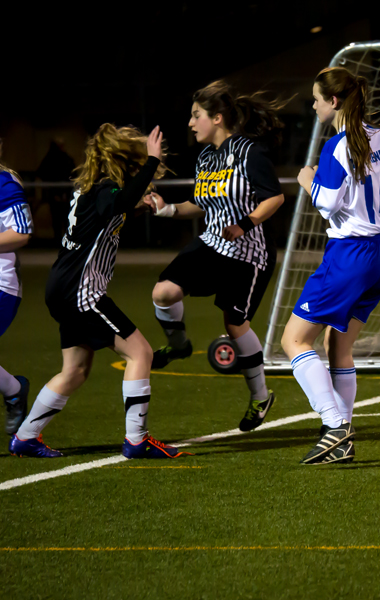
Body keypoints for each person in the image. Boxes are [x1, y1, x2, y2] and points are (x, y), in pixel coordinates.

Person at [9, 124, 188, 459]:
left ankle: (26, 437)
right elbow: (115, 206)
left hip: (61, 286)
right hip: (81, 291)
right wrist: (151, 161)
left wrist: (140, 206)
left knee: (74, 371)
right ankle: (137, 440)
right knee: (141, 353)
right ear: (124, 160)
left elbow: (110, 214)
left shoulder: (93, 189)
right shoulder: (106, 189)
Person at [281, 66, 380, 465]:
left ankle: (334, 425)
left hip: (350, 256)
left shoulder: (337, 148)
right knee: (338, 344)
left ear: (334, 102)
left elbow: (327, 205)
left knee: (294, 340)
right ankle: (341, 435)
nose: (312, 105)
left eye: (315, 98)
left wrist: (306, 179)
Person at [145, 80, 285, 432]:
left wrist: (245, 223)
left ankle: (260, 397)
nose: (190, 124)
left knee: (234, 325)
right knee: (163, 293)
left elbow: (274, 198)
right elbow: (200, 203)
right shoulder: (206, 157)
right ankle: (178, 346)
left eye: (196, 116)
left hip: (248, 253)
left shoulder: (249, 152)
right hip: (212, 244)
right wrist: (168, 209)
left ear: (217, 118)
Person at [0, 139, 33, 436]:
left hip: (2, 283)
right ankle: (13, 390)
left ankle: (14, 391)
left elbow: (21, 233)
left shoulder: (4, 182)